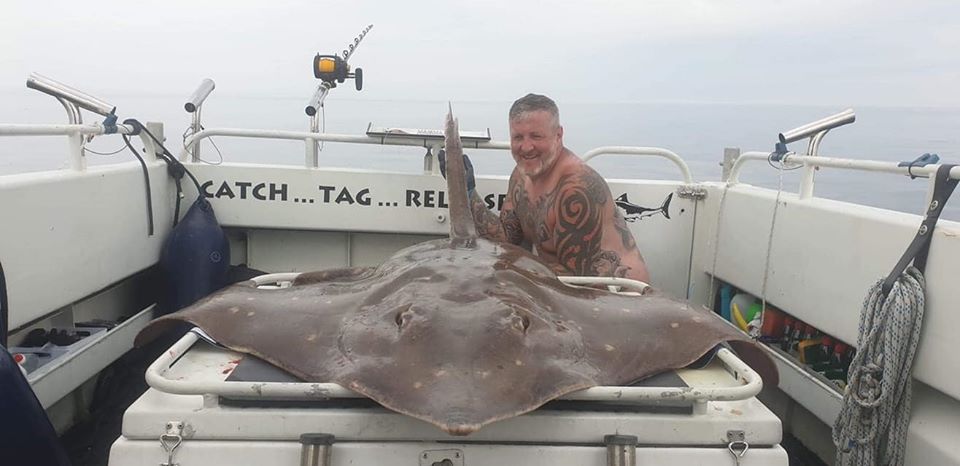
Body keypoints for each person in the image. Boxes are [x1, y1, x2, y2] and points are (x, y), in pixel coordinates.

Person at [444, 93, 651, 283]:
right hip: (560, 284)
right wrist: (468, 192)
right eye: (518, 137)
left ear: (558, 135)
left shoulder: (576, 190)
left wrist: (504, 274)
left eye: (536, 136)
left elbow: (581, 280)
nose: (526, 147)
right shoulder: (520, 175)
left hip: (619, 294)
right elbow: (508, 239)